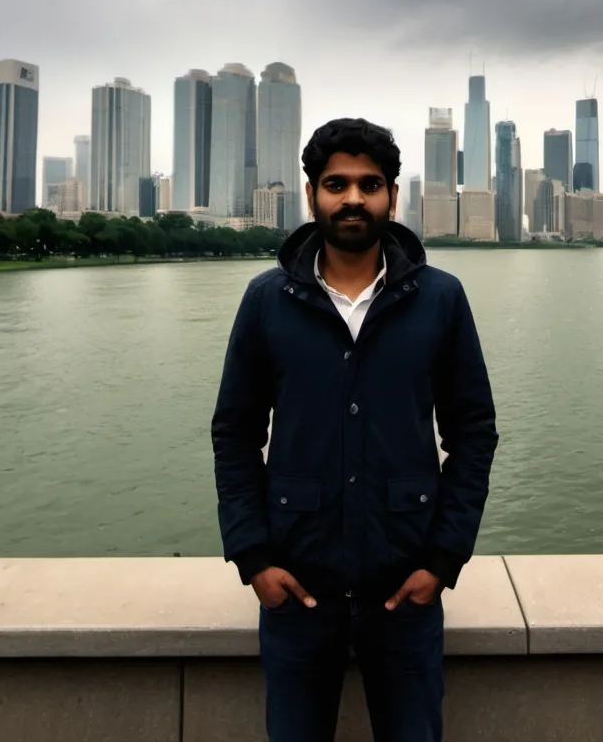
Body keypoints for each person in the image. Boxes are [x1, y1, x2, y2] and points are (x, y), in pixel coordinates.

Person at [212, 117, 498, 742]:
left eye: (370, 185)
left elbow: (473, 431)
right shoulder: (267, 300)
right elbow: (234, 433)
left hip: (404, 588)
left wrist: (443, 559)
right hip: (295, 588)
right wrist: (253, 557)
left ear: (392, 198)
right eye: (336, 184)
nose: (352, 199)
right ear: (312, 194)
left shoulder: (440, 299)